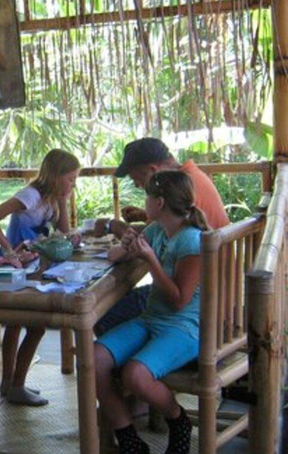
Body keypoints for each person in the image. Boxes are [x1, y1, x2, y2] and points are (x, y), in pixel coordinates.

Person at [95, 170, 208, 454]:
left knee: (135, 375)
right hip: (151, 320)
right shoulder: (157, 230)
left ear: (158, 203)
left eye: (146, 195)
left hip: (184, 327)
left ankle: (178, 419)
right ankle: (128, 437)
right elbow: (113, 257)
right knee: (94, 358)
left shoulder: (191, 241)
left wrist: (151, 260)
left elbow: (179, 300)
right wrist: (125, 246)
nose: (142, 201)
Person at [93, 138, 229, 336]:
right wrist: (142, 216)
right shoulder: (187, 181)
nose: (138, 186)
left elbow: (146, 242)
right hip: (209, 289)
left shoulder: (188, 186)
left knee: (104, 312)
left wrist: (114, 226)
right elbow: (158, 231)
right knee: (120, 302)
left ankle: (134, 360)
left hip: (198, 303)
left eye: (138, 180)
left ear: (154, 171)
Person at [0, 149, 80, 406]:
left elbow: (63, 232)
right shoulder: (31, 195)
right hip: (16, 266)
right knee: (32, 326)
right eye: (70, 179)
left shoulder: (51, 198)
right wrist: (7, 249)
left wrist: (63, 200)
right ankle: (15, 385)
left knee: (16, 324)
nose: (73, 184)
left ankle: (9, 383)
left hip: (32, 266)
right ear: (55, 175)